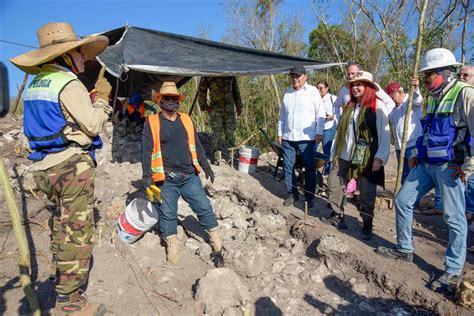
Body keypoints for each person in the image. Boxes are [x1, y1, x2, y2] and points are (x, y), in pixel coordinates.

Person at [10, 22, 111, 314]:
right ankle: (69, 301)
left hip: (44, 168)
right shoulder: (67, 82)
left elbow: (55, 118)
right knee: (77, 233)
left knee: (60, 228)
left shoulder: (37, 83)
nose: (84, 58)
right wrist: (102, 101)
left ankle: (60, 280)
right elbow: (92, 126)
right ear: (65, 56)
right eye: (80, 53)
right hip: (70, 167)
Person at [377, 48, 474, 294]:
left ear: (442, 72)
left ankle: (452, 272)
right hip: (425, 164)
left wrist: (468, 167)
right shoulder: (433, 97)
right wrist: (415, 154)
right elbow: (426, 131)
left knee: (453, 217)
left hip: (451, 168)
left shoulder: (465, 94)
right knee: (402, 199)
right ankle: (405, 250)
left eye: (428, 76)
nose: (425, 81)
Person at [141, 82, 222, 265]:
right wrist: (147, 173)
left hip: (189, 176)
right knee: (168, 213)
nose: (171, 101)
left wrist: (205, 165)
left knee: (203, 207)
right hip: (166, 179)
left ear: (178, 101)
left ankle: (216, 238)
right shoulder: (152, 122)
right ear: (160, 100)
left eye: (174, 98)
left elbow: (197, 144)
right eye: (167, 98)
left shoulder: (186, 119)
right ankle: (171, 245)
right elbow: (145, 150)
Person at [322, 71, 390, 241]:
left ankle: (367, 224)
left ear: (368, 87)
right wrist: (333, 154)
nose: (355, 88)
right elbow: (340, 132)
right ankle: (337, 214)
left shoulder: (377, 106)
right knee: (334, 182)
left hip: (367, 156)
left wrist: (379, 157)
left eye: (359, 84)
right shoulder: (349, 107)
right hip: (344, 153)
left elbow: (385, 134)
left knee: (366, 192)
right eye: (353, 85)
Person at [277, 65, 325, 208]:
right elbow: (283, 116)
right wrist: (280, 132)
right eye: (293, 76)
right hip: (288, 137)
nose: (295, 78)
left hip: (306, 138)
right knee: (288, 166)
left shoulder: (312, 92)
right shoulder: (287, 93)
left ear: (305, 77)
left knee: (310, 168)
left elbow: (320, 114)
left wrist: (319, 132)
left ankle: (309, 197)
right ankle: (292, 194)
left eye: (298, 76)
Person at [198, 76, 243, 160]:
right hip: (215, 110)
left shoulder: (230, 73)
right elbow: (202, 90)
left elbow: (235, 90)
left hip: (229, 109)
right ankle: (217, 158)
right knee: (217, 135)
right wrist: (204, 106)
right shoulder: (209, 74)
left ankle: (232, 158)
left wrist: (239, 105)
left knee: (230, 134)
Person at [458, 65, 474, 232]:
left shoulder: (471, 98)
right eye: (460, 75)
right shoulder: (460, 101)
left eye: (466, 75)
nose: (461, 77)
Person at [316, 80, 338, 175]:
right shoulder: (316, 98)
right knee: (313, 147)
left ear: (327, 88)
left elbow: (339, 112)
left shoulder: (333, 98)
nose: (319, 90)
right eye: (317, 88)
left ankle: (327, 171)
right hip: (317, 127)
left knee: (327, 149)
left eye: (321, 88)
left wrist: (331, 116)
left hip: (329, 126)